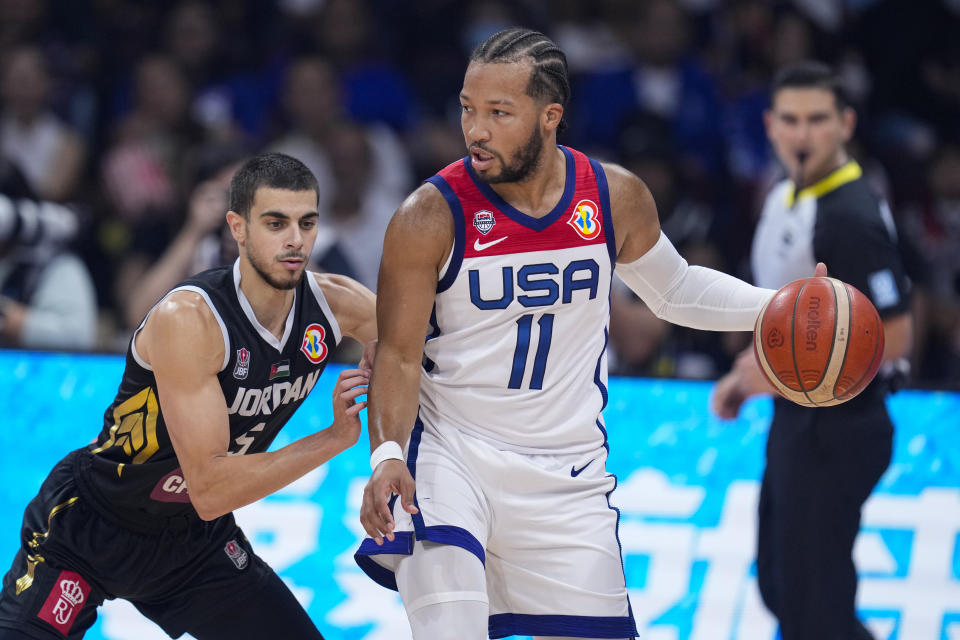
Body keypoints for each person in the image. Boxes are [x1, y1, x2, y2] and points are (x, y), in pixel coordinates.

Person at [354, 28, 815, 640]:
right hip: (451, 458)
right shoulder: (428, 215)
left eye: (499, 112)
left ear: (550, 117)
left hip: (567, 477)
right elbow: (399, 355)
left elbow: (675, 290)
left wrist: (777, 306)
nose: (476, 130)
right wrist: (386, 453)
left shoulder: (612, 194)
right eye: (468, 109)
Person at [0, 152, 376, 639]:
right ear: (236, 228)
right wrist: (331, 439)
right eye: (276, 222)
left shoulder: (334, 302)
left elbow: (416, 346)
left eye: (307, 223)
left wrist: (390, 450)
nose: (294, 240)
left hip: (193, 543)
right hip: (93, 527)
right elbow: (211, 488)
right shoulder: (190, 318)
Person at [711, 62, 913, 640]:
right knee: (785, 587)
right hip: (800, 417)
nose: (802, 135)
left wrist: (756, 381)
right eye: (791, 120)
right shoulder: (784, 194)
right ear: (770, 126)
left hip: (840, 427)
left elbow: (896, 336)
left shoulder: (848, 214)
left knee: (811, 607)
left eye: (818, 120)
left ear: (846, 124)